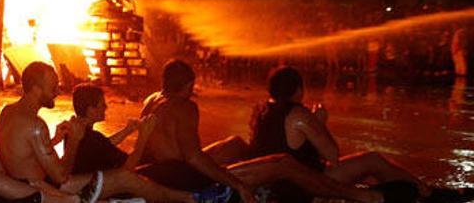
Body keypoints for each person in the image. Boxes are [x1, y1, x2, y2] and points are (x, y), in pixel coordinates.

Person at [137, 59, 382, 203]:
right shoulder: (186, 106)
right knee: (284, 162)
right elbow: (193, 157)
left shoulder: (152, 99)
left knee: (236, 144)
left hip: (165, 168)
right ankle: (357, 196)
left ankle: (257, 170)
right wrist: (235, 182)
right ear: (189, 84)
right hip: (185, 176)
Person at [0, 61, 200, 203]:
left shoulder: (8, 111)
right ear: (36, 89)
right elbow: (60, 177)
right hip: (42, 190)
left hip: (30, 182)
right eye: (53, 88)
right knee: (125, 178)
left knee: (124, 176)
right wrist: (74, 140)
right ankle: (189, 199)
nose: (58, 91)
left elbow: (25, 153)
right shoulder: (35, 125)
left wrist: (56, 140)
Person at [249, 66, 436, 199]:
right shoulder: (298, 114)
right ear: (298, 89)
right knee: (372, 160)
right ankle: (424, 192)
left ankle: (408, 189)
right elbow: (332, 155)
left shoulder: (261, 110)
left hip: (274, 182)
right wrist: (319, 123)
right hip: (305, 183)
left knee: (364, 167)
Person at [69, 83, 157, 174]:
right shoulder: (93, 138)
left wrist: (128, 130)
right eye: (102, 104)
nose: (106, 107)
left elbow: (103, 144)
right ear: (91, 110)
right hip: (99, 185)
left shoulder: (74, 130)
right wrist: (143, 136)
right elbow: (128, 168)